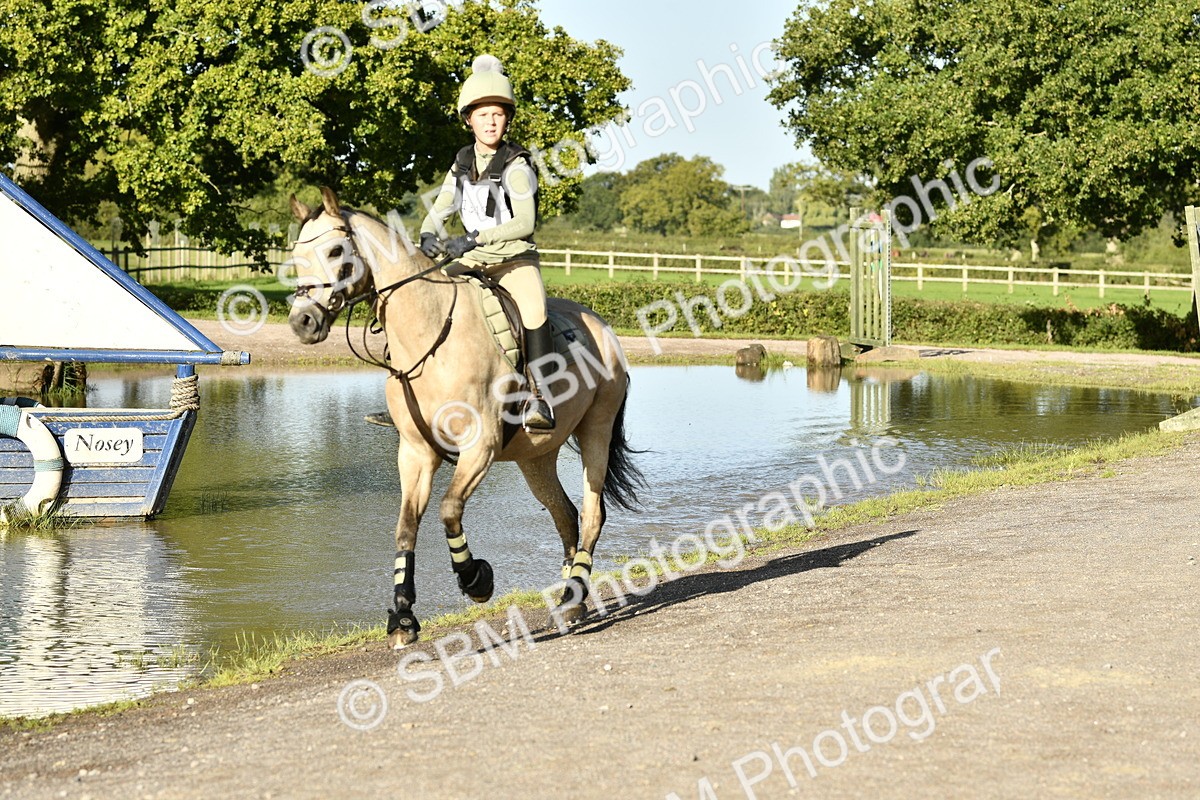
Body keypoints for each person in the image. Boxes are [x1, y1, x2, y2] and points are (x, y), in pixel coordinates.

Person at [418, 54, 555, 431]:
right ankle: (412, 398)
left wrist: (474, 237)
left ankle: (540, 399)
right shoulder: (461, 162)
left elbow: (524, 223)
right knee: (422, 296)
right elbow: (442, 205)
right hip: (472, 258)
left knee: (533, 309)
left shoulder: (517, 165)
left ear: (507, 119)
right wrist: (427, 234)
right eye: (482, 115)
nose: (490, 122)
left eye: (497, 114)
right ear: (468, 120)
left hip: (512, 260)